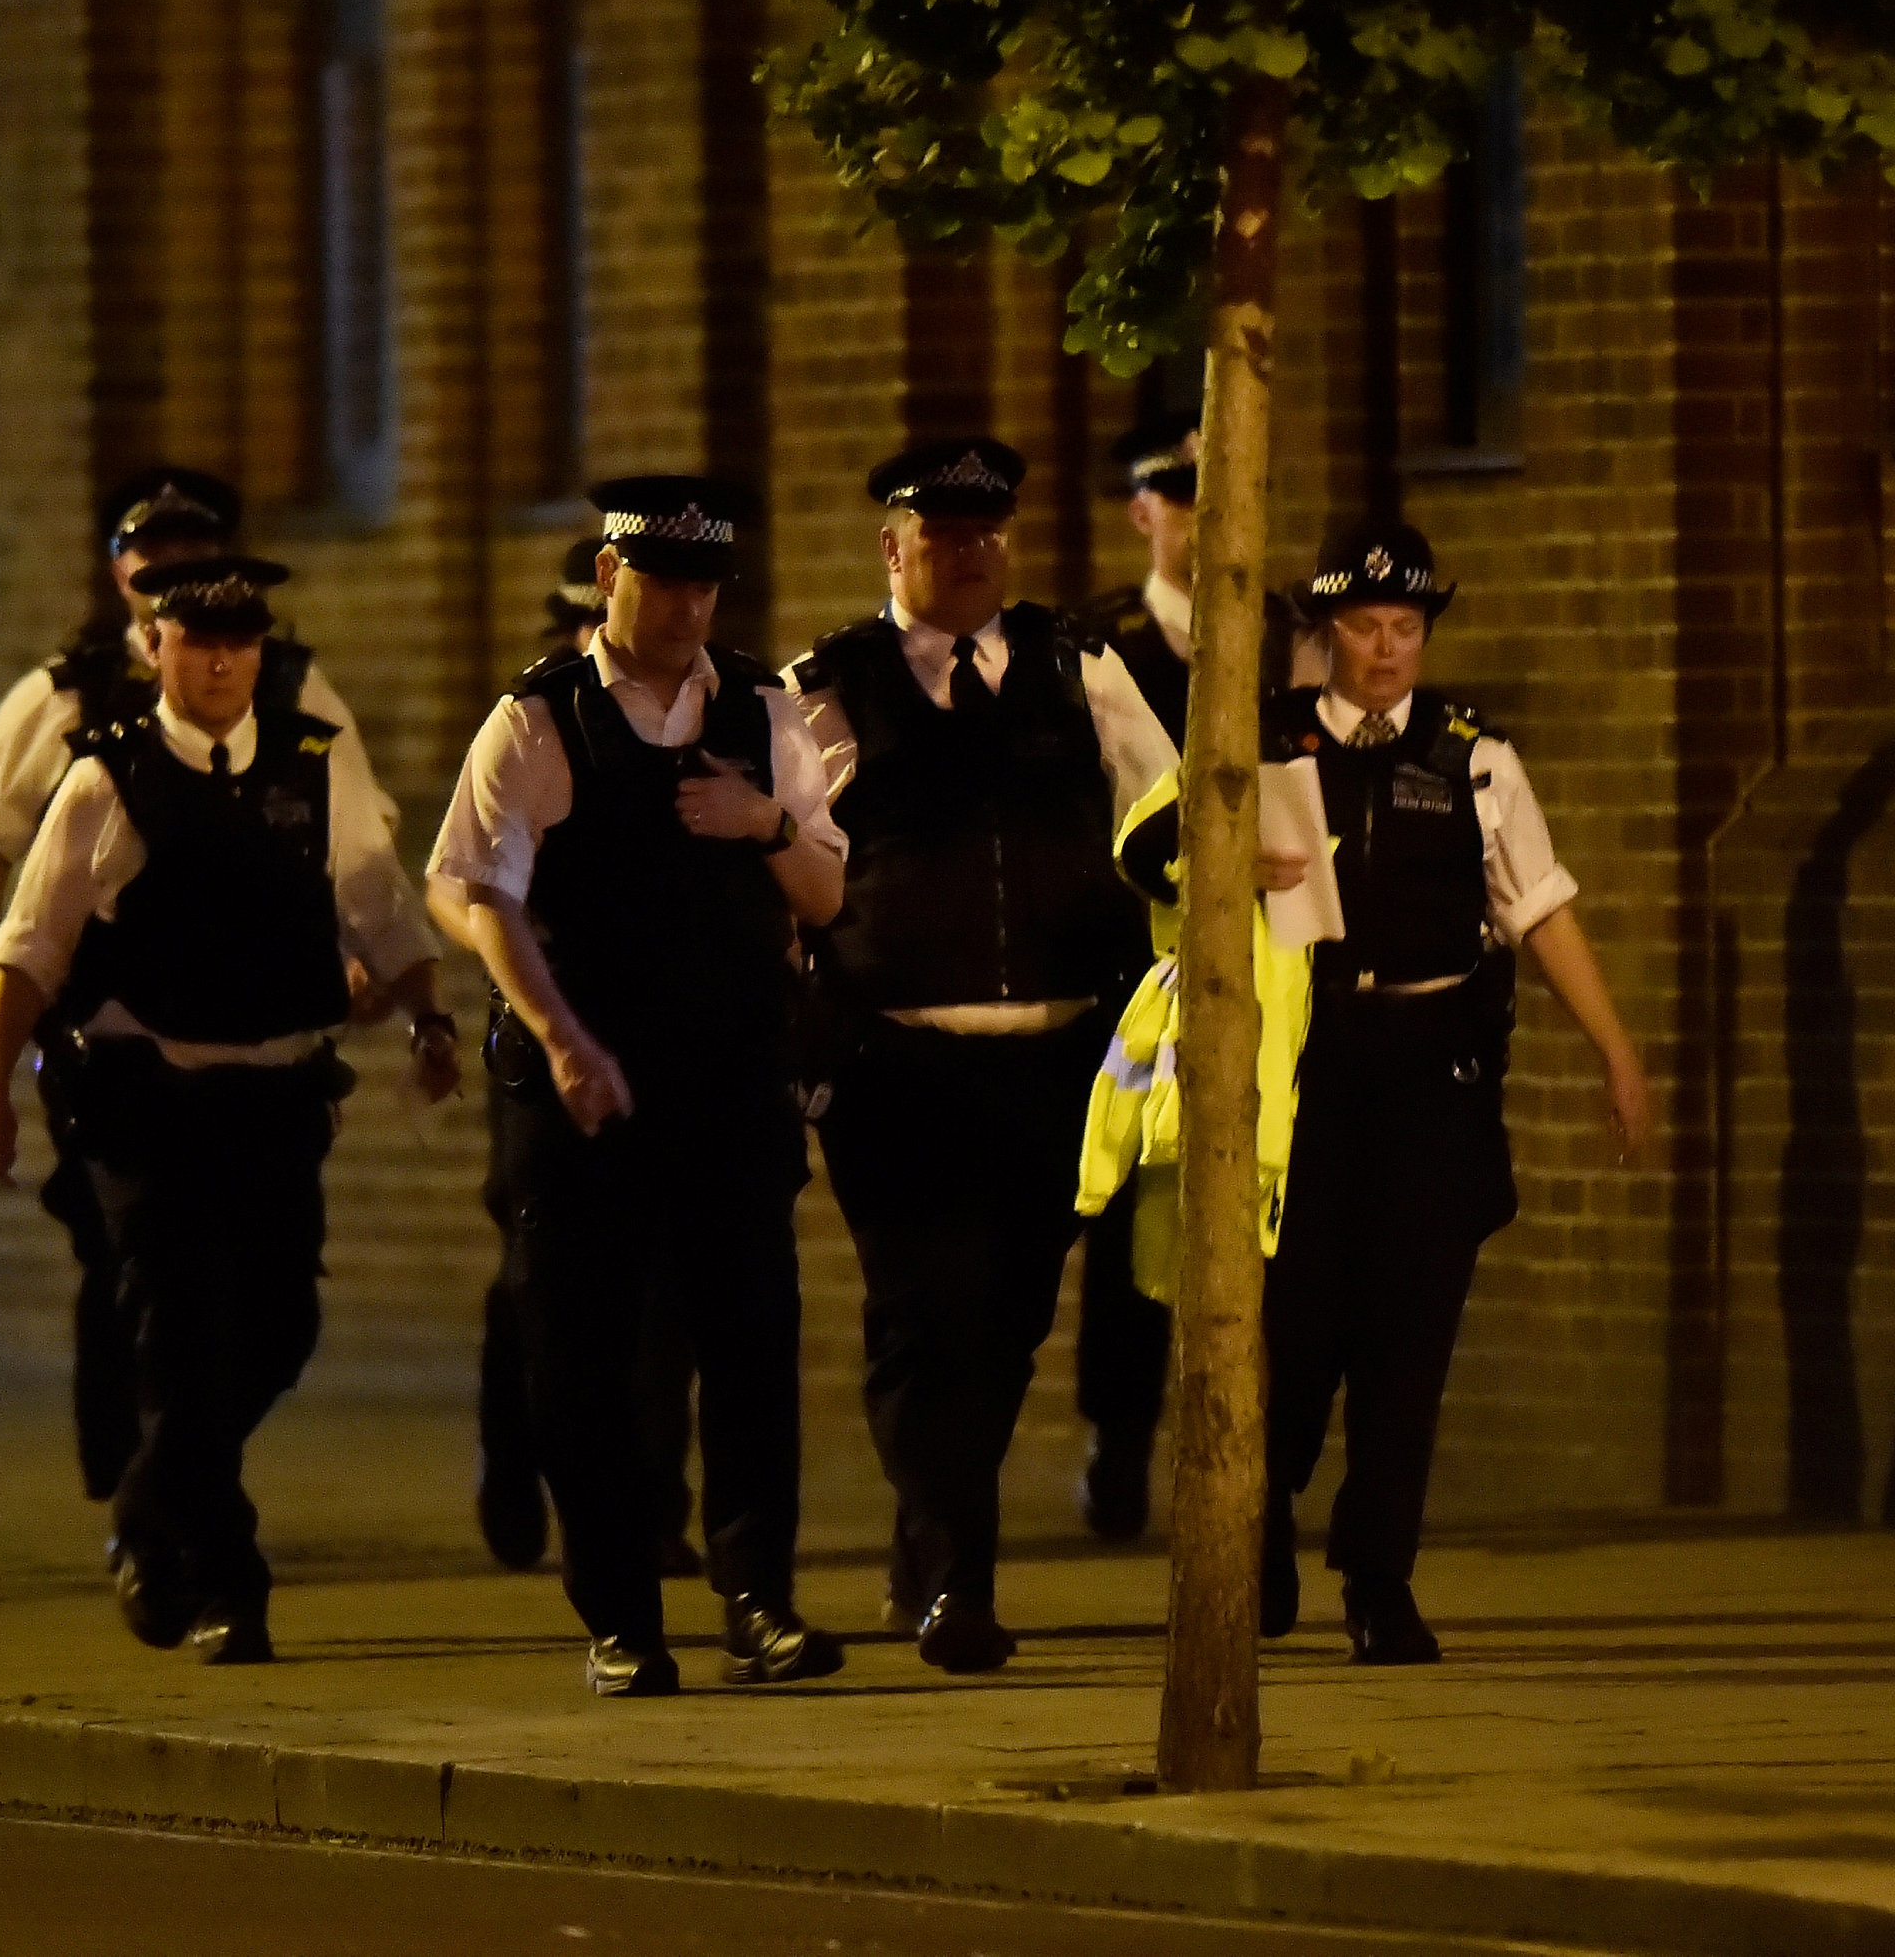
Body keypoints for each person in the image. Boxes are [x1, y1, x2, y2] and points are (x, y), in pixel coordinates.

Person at [1132, 521, 1651, 1665]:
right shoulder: (1260, 744)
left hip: (1431, 1079)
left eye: (1405, 629)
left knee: (1407, 1348)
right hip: (1303, 1077)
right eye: (1364, 628)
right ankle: (1251, 1536)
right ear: (1323, 634)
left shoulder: (1472, 759)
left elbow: (1540, 909)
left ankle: (1377, 1579)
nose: (1384, 651)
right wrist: (1212, 854)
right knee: (1291, 1335)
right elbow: (1146, 844)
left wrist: (1614, 1051)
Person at [0, 553, 456, 1665]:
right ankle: (226, 1582)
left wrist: (427, 1020)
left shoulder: (314, 766)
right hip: (150, 1103)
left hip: (275, 1095)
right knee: (183, 1336)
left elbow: (379, 910)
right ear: (156, 649)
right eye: (199, 640)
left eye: (242, 640)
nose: (225, 659)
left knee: (281, 1327)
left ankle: (150, 1507)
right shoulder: (106, 779)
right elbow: (29, 949)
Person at [428, 478, 851, 1697]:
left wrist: (762, 823)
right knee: (583, 1356)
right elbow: (480, 899)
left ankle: (757, 1602)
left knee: (753, 1340)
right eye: (661, 582)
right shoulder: (538, 721)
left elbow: (827, 895)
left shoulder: (767, 714)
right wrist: (564, 1043)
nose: (684, 608)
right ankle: (619, 1617)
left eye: (704, 586)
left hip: (727, 1080)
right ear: (609, 579)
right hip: (583, 1091)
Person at [0, 467, 408, 1505]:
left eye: (199, 560)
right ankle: (154, 1486)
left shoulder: (293, 693)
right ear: (121, 578)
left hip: (259, 1037)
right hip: (111, 1039)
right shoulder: (63, 699)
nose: (179, 584)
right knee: (136, 1259)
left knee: (239, 1297)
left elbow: (351, 840)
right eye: (157, 565)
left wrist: (369, 956)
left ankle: (165, 1475)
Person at [789, 439, 1179, 1671]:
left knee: (1005, 1322)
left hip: (1060, 1058)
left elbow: (1162, 809)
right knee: (924, 1315)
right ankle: (961, 1585)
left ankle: (928, 1550)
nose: (965, 554)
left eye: (985, 532)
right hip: (898, 1063)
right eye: (938, 534)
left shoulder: (1080, 665)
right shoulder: (828, 685)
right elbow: (786, 855)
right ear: (891, 548)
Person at [1059, 409, 1324, 1540]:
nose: (1205, 517)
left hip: (1271, 954)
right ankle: (1118, 1439)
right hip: (1141, 956)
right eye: (1181, 496)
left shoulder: (1289, 631)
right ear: (1142, 513)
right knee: (1136, 1212)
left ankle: (1240, 1450)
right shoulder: (1100, 641)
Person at [472, 538, 707, 1583]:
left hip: (661, 1040)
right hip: (545, 1027)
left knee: (664, 1283)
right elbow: (465, 884)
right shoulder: (531, 720)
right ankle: (515, 1462)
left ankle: (654, 1501)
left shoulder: (698, 719)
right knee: (539, 1280)